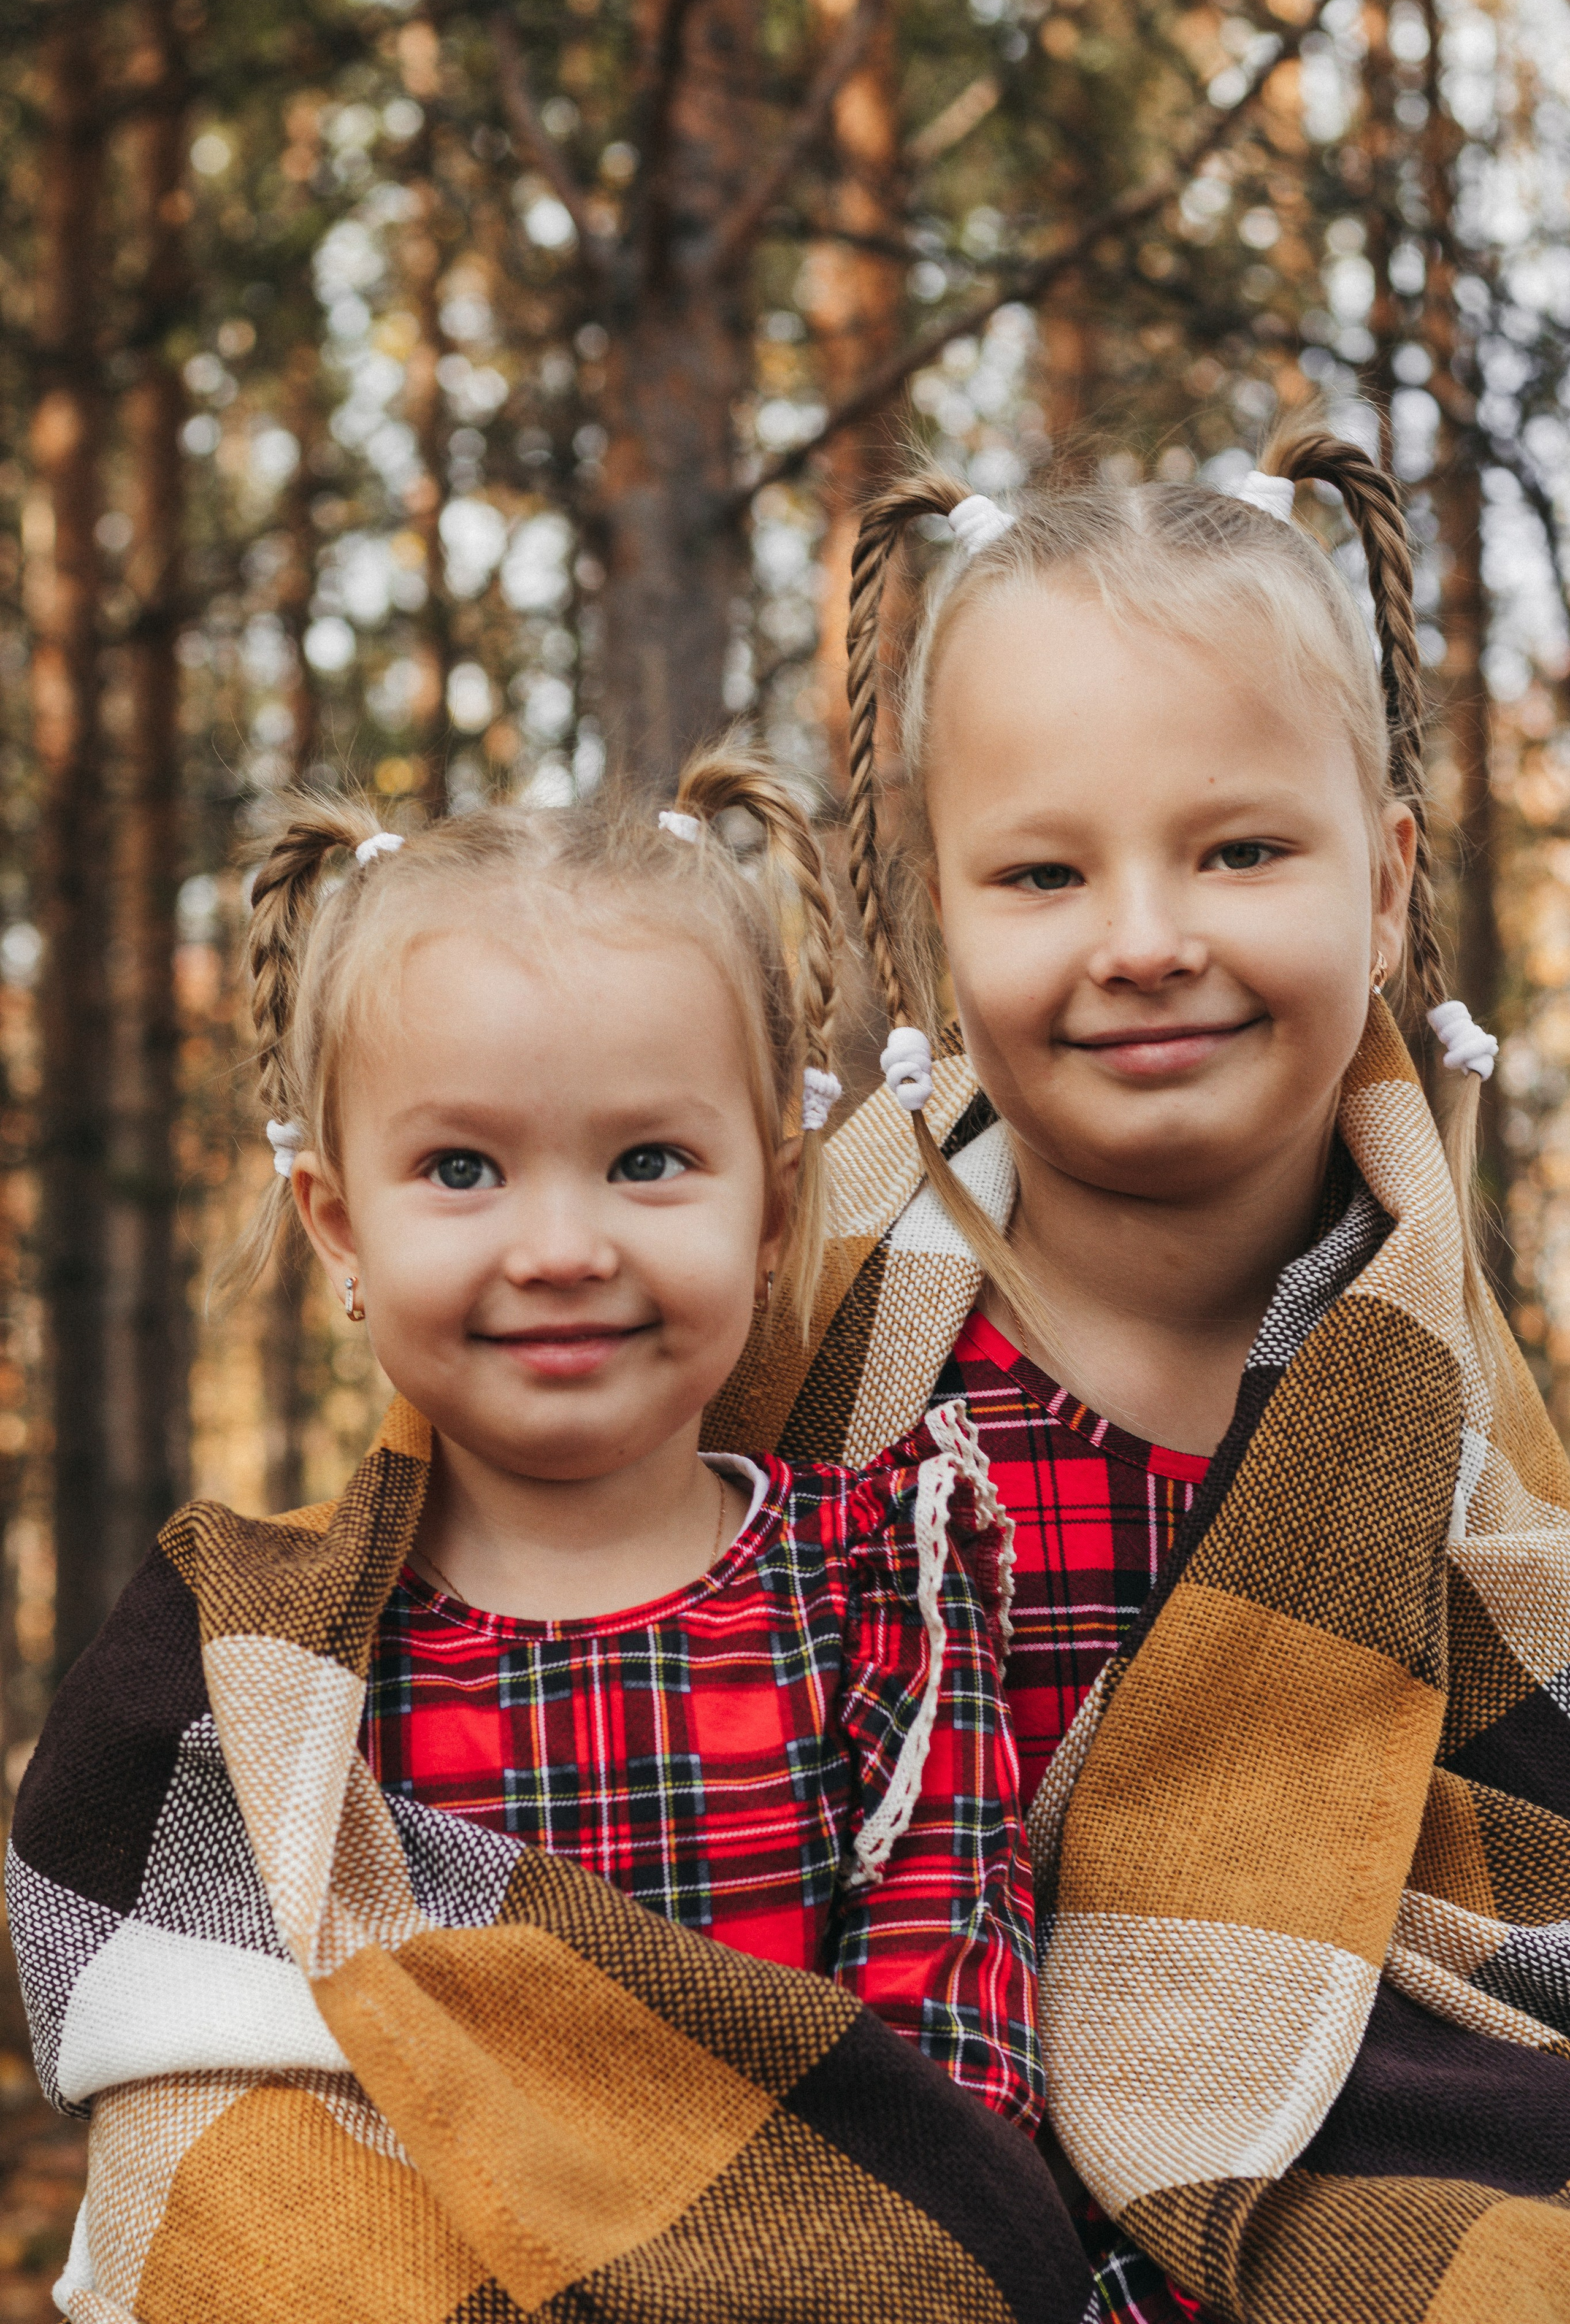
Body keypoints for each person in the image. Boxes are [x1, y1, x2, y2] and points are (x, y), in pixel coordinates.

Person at [7, 749, 1094, 2324]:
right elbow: (199, 2063)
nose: (564, 1247)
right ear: (339, 1224)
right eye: (461, 1169)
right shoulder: (262, 1653)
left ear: (772, 1205)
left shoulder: (877, 1583)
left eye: (648, 1161)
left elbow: (947, 2065)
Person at [706, 431, 1570, 2320]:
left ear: (1383, 883)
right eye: (1042, 873)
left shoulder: (1443, 1422)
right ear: (940, 920)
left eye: (1243, 848)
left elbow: (1519, 1884)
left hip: (1326, 2189)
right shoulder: (783, 1345)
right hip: (879, 2195)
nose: (1149, 940)